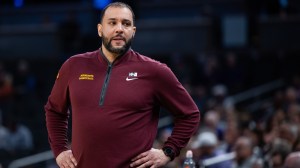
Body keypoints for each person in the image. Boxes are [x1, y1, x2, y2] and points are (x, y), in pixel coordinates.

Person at [45, 2, 200, 168]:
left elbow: (190, 115)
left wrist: (168, 152)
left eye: (126, 24)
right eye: (112, 23)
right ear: (100, 29)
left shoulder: (155, 71)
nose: (119, 28)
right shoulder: (73, 66)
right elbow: (54, 110)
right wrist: (60, 150)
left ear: (133, 32)